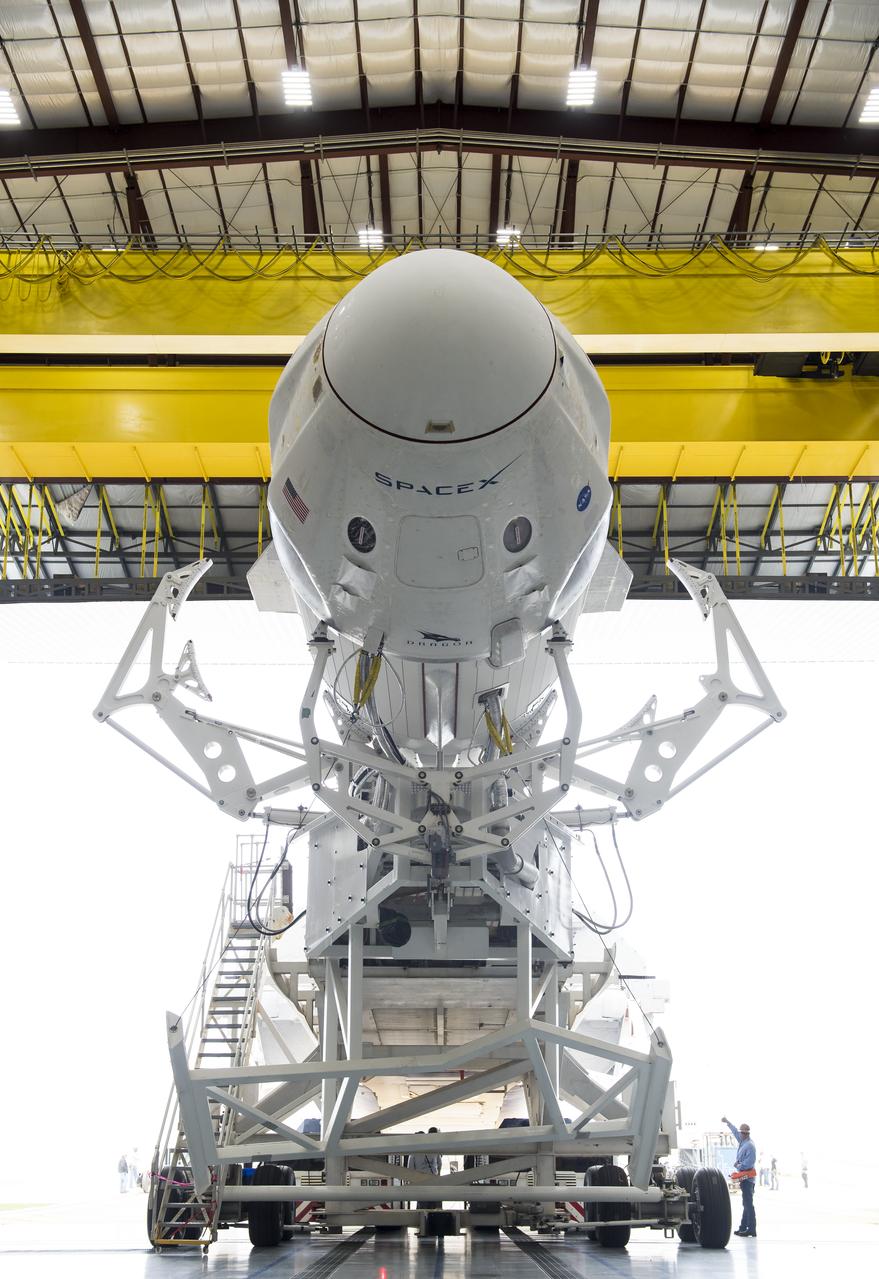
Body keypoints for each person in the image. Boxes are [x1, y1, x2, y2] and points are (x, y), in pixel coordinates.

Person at [722, 1116, 757, 1238]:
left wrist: (738, 1165)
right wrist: (728, 1122)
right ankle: (743, 1227)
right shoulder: (743, 1142)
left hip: (748, 1179)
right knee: (746, 1204)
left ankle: (751, 1229)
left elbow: (749, 1164)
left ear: (745, 1134)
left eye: (741, 1133)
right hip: (745, 1179)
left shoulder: (749, 1146)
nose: (739, 1134)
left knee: (748, 1204)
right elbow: (735, 1132)